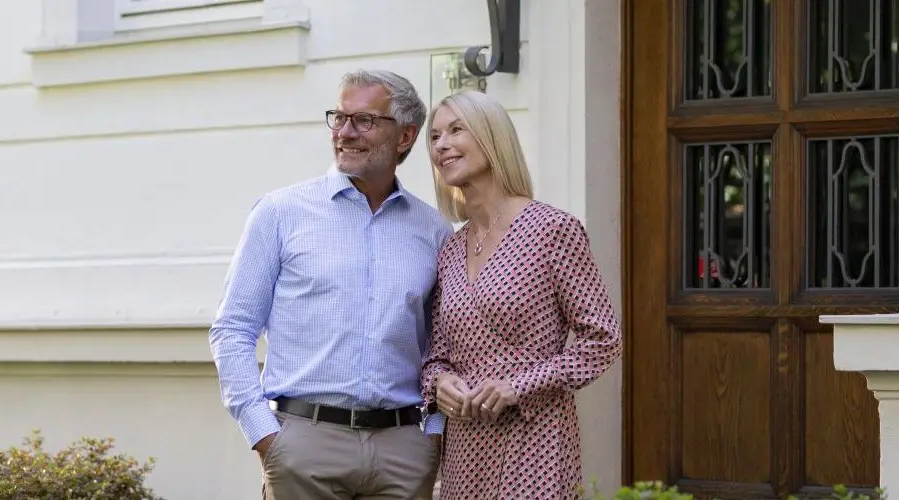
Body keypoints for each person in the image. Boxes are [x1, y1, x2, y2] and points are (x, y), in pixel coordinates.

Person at [208, 69, 453, 499]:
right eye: (338, 118)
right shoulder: (280, 213)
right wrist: (265, 435)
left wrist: (432, 435)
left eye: (364, 120)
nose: (345, 132)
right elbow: (232, 329)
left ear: (405, 136)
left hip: (403, 451)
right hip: (304, 444)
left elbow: (445, 346)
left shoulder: (433, 231)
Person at [419, 90, 623, 499]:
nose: (441, 144)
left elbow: (603, 338)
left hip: (537, 443)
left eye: (456, 130)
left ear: (492, 137)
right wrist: (440, 384)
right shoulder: (450, 250)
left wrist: (520, 385)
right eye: (435, 136)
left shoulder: (552, 229)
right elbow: (436, 356)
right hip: (465, 450)